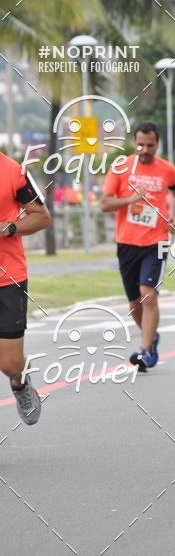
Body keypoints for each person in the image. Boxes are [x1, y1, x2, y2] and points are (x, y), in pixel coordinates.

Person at [101, 122, 175, 371]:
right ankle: (151, 336)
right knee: (134, 303)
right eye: (140, 144)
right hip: (127, 242)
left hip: (156, 241)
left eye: (150, 145)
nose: (145, 149)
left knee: (149, 292)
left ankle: (145, 350)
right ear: (133, 142)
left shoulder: (167, 169)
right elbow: (104, 204)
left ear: (157, 144)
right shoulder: (120, 167)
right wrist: (131, 199)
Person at [0, 153, 51, 424]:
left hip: (8, 278)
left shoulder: (13, 172)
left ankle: (20, 384)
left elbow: (41, 218)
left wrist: (9, 228)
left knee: (9, 363)